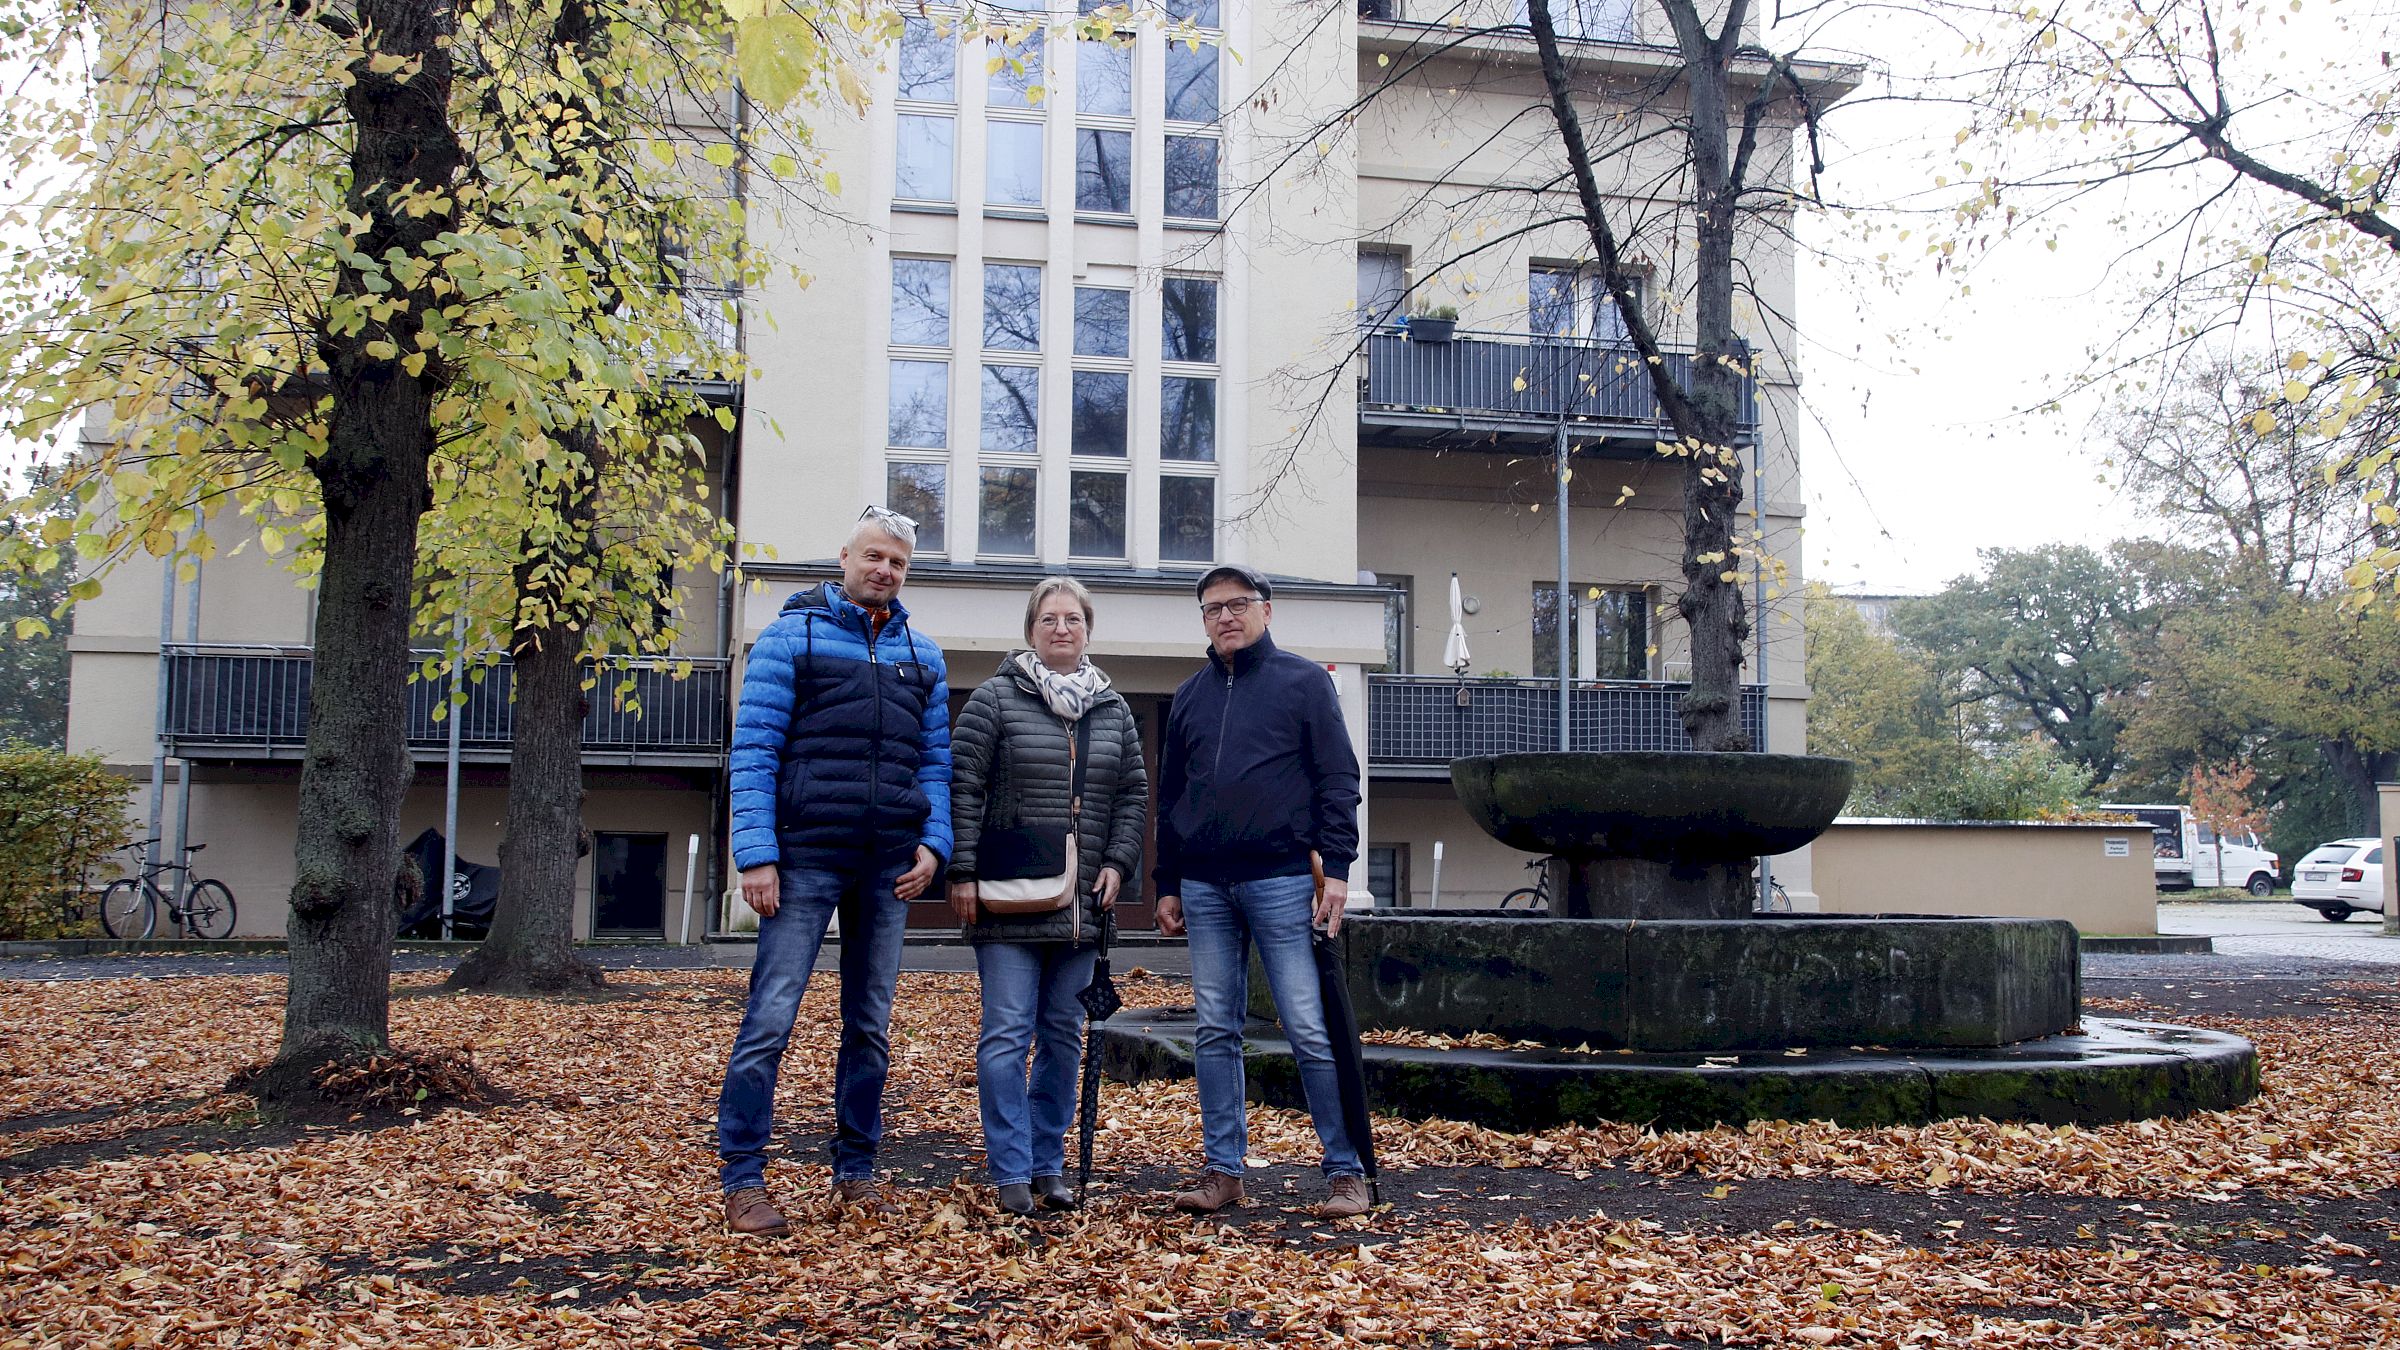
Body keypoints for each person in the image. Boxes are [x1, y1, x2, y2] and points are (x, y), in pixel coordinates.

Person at [716, 505, 951, 1237]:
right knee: (770, 1021)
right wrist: (755, 855)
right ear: (845, 556)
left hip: (887, 867)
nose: (885, 571)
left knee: (870, 1027)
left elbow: (934, 763)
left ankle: (856, 1171)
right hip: (805, 858)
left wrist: (934, 845)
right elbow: (753, 750)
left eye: (899, 563)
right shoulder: (791, 637)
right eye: (875, 556)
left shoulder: (925, 654)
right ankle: (743, 1180)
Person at [1152, 563, 1369, 1219]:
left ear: (1266, 611)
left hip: (1280, 880)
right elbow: (1171, 800)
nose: (1226, 616)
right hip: (1204, 887)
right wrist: (1166, 883)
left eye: (1238, 603)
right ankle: (1223, 1171)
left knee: (1307, 1026)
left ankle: (1344, 1172)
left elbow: (1338, 778)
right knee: (1216, 1029)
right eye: (1213, 607)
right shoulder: (1189, 695)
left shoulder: (1304, 683)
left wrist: (1337, 868)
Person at [944, 577, 1149, 1215]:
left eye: (1073, 620)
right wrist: (962, 873)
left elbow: (1133, 796)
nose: (1062, 629)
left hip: (1082, 907)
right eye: (1049, 619)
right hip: (1005, 900)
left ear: (1088, 630)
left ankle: (1046, 1165)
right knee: (1006, 1034)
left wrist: (1119, 861)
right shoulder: (993, 700)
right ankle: (1009, 1170)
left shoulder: (1112, 710)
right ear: (1031, 629)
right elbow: (962, 788)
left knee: (1062, 1034)